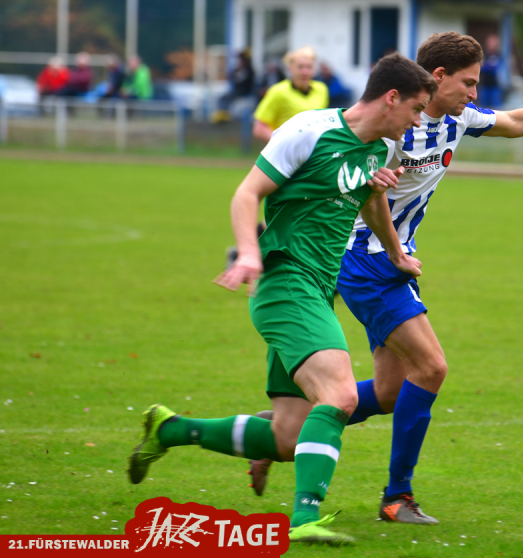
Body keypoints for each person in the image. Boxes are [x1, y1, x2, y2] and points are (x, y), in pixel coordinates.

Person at [246, 31, 523, 524]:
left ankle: (281, 430)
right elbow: (354, 178)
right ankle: (397, 497)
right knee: (431, 368)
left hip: (392, 260)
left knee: (388, 391)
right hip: (364, 258)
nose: (475, 93)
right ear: (439, 78)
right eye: (468, 82)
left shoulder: (458, 119)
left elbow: (512, 121)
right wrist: (389, 245)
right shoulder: (392, 126)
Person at [127, 52, 437, 546]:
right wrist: (248, 254)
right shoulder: (307, 130)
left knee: (287, 438)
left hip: (316, 288)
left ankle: (170, 430)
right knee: (338, 396)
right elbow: (246, 193)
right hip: (285, 282)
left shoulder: (381, 149)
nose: (420, 119)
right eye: (417, 108)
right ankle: (303, 519)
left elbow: (373, 201)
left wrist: (397, 254)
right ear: (391, 98)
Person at [252, 46, 328, 143]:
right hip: (285, 154)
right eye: (300, 67)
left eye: (309, 67)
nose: (305, 72)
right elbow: (259, 129)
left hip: (313, 153)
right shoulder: (278, 91)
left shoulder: (321, 90)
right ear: (290, 68)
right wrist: (283, 143)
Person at [212, 49, 255, 123]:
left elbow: (241, 81)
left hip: (243, 93)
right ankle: (222, 115)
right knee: (222, 98)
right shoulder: (238, 70)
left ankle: (225, 116)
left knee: (227, 100)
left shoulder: (248, 71)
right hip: (237, 92)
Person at [478, 34, 507, 109]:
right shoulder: (483, 56)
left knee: (496, 108)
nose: (492, 46)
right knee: (483, 108)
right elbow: (480, 69)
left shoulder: (500, 56)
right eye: (490, 43)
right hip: (484, 86)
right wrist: (488, 67)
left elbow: (499, 69)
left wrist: (488, 67)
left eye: (494, 43)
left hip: (496, 87)